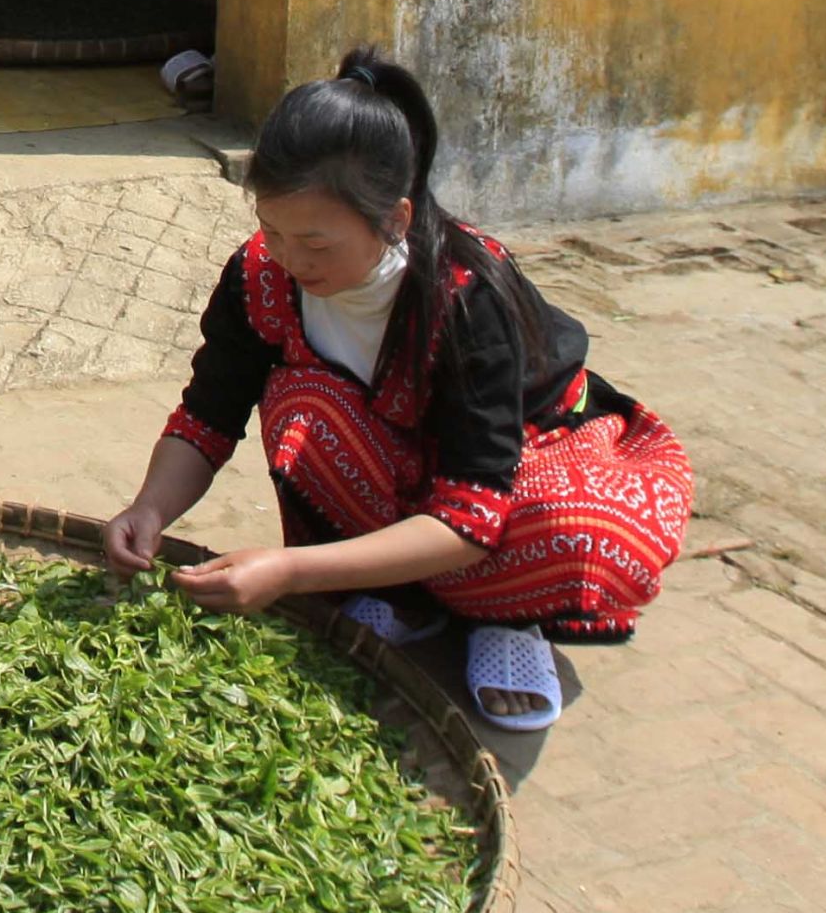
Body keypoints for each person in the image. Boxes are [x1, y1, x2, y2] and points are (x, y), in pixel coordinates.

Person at [98, 48, 689, 727]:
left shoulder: (466, 297)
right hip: (397, 473)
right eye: (273, 230)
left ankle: (506, 617)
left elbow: (474, 508)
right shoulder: (261, 275)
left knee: (576, 530)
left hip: (526, 460)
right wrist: (149, 509)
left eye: (317, 244)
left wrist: (291, 573)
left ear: (396, 220)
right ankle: (406, 595)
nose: (291, 258)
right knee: (304, 406)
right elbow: (209, 414)